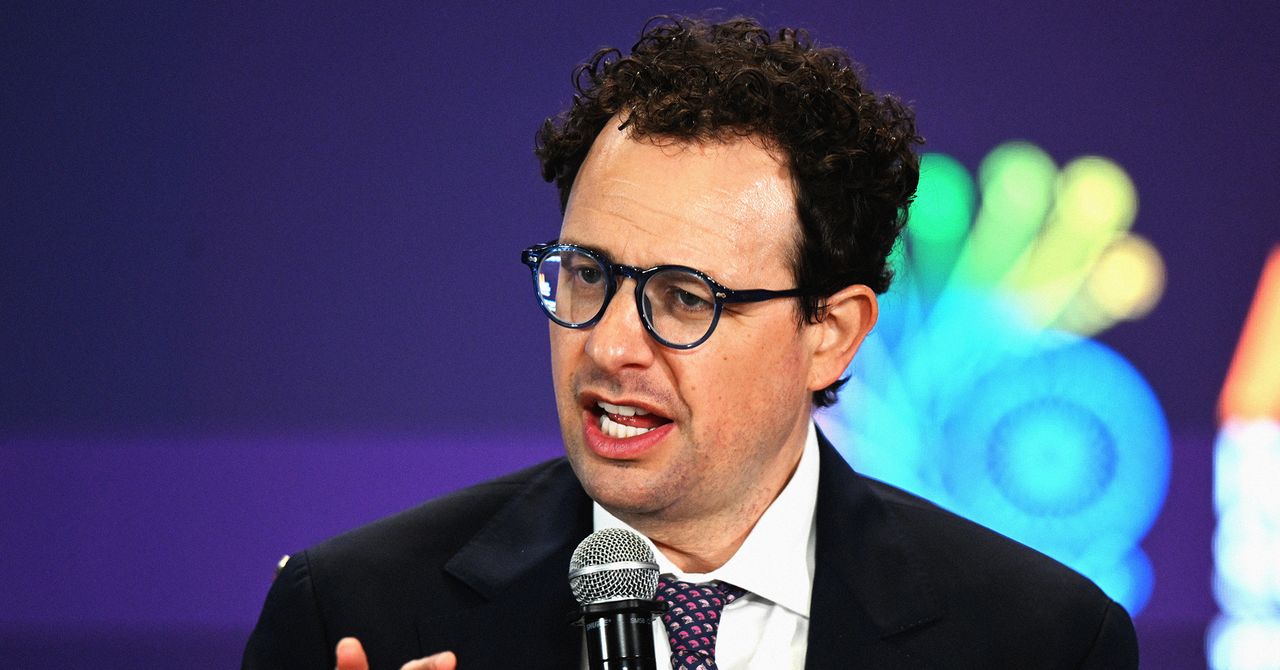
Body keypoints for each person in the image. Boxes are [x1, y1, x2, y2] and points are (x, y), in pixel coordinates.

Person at [243, 16, 1138, 670]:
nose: (609, 347)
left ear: (830, 334)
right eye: (586, 274)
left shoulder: (1040, 642)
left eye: (684, 298)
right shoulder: (355, 614)